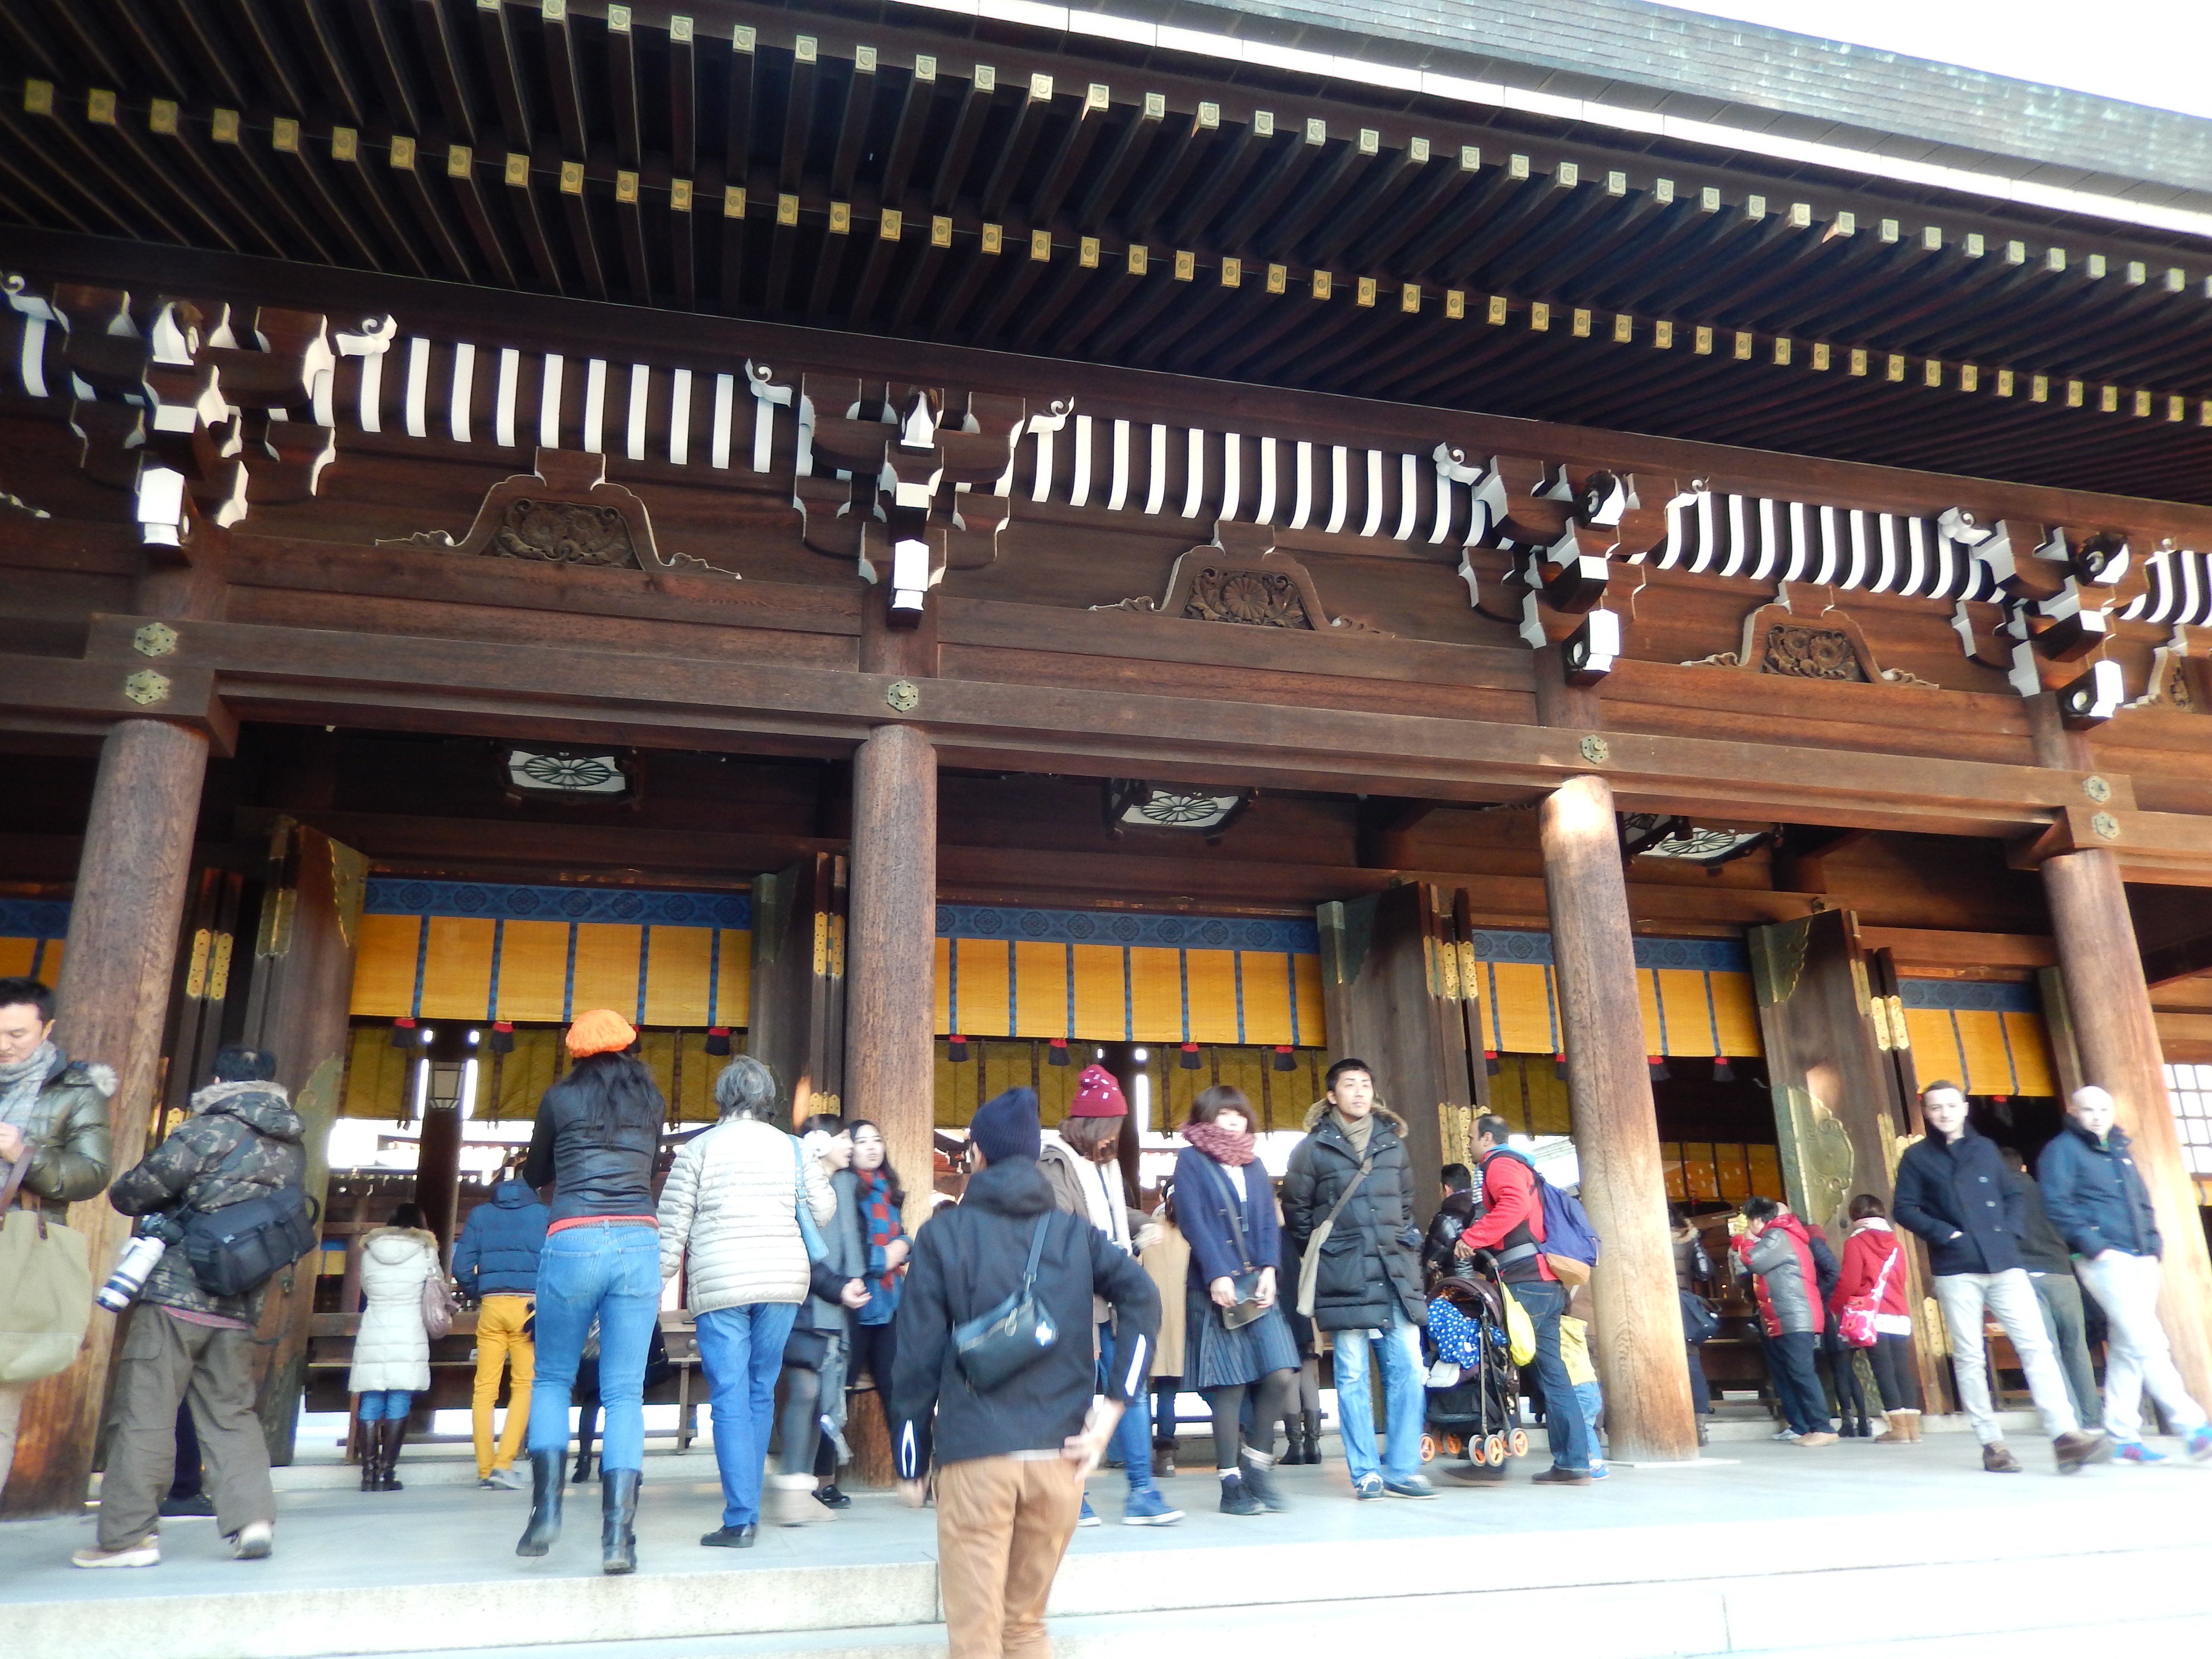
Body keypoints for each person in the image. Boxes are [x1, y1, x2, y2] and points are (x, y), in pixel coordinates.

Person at [888, 1087, 1158, 1659]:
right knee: (1025, 1626)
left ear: (977, 1154)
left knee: (976, 1639)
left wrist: (911, 1459)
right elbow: (1143, 1298)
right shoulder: (1074, 1234)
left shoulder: (942, 1235)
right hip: (1061, 1458)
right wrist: (1113, 1409)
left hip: (976, 1456)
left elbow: (913, 1360)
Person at [75, 1045, 303, 1569]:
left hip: (177, 1293)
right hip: (240, 1298)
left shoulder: (205, 1130)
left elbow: (131, 1193)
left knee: (146, 1412)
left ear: (218, 1080)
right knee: (231, 1412)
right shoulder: (292, 1146)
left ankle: (127, 1537)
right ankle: (253, 1521)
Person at [656, 1054, 834, 1547]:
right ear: (767, 1098)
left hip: (721, 1284)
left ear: (723, 1096)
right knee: (761, 1389)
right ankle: (746, 1508)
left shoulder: (699, 1149)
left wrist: (653, 1283)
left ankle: (741, 1518)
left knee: (730, 1395)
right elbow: (823, 1210)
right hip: (781, 1282)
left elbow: (672, 1227)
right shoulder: (792, 1149)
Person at [517, 1009, 666, 1573]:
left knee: (553, 1378)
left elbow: (535, 1173)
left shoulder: (560, 1098)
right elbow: (650, 1165)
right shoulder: (650, 1100)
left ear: (576, 1051)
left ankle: (545, 1512)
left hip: (574, 1235)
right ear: (628, 1046)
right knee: (624, 1392)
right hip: (638, 1239)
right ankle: (618, 1539)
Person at [1894, 1080, 2107, 1475]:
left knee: (2037, 1346)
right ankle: (1992, 1443)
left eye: (1951, 1105)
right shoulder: (1917, 1157)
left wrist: (2010, 1232)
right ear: (1926, 1112)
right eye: (1936, 1107)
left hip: (2005, 1261)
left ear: (1965, 1108)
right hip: (1957, 1267)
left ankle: (2065, 1434)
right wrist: (1947, 1235)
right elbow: (1904, 1208)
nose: (1944, 1113)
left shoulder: (1985, 1149)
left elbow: (2013, 1194)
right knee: (1971, 1356)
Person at [1284, 1059, 1434, 1500]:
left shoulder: (1393, 1144)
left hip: (1393, 1268)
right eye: (1349, 1085)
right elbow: (1297, 1213)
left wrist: (1404, 1241)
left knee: (1408, 1368)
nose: (1359, 1092)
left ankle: (1402, 1468)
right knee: (1352, 1373)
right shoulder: (1312, 1149)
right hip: (1345, 1272)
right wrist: (1333, 1250)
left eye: (1365, 1084)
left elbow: (1405, 1203)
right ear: (1332, 1096)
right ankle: (1366, 1471)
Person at [2038, 1085, 2212, 1464]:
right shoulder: (2061, 1151)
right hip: (2104, 1258)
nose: (2097, 1117)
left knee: (2127, 1344)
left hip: (2140, 1256)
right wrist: (2094, 1244)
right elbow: (2056, 1202)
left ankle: (2121, 1437)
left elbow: (2141, 1200)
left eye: (2104, 1109)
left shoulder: (2120, 1149)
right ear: (2074, 1112)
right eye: (2088, 1110)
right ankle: (2192, 1424)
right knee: (2148, 1340)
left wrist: (2152, 1245)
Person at [1039, 1064, 1179, 1526]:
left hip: (1114, 1294)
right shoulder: (1054, 1163)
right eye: (1112, 1125)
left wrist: (1144, 1225)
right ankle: (1072, 1496)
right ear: (1093, 1123)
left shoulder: (1107, 1163)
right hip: (1074, 1296)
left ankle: (1143, 1490)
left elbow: (1119, 1215)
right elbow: (1064, 1228)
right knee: (1074, 1397)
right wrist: (1116, 1249)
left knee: (1130, 1390)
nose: (1115, 1135)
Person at [0, 976, 112, 1502]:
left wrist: (23, 1153)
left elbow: (92, 1174)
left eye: (17, 1034)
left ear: (47, 1029)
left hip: (18, 1255)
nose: (4, 1045)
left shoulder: (76, 1091)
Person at [1177, 1085, 1303, 1514]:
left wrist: (1270, 1268)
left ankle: (1257, 1467)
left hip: (1257, 1283)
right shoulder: (1191, 1160)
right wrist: (1216, 1272)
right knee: (1229, 1386)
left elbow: (1268, 1220)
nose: (1233, 1122)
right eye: (1223, 1115)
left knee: (1281, 1373)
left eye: (1239, 1115)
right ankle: (1230, 1484)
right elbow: (1193, 1219)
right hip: (1215, 1285)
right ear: (1206, 1118)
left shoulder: (1253, 1162)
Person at [1457, 1113, 1596, 1485]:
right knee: (1553, 1374)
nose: (1469, 1145)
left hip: (1524, 1283)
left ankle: (1490, 1462)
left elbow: (1514, 1206)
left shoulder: (1499, 1164)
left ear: (1488, 1139)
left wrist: (1471, 1238)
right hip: (1545, 1281)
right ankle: (1574, 1463)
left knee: (1496, 1364)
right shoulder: (1524, 1166)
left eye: (1471, 1137)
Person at [778, 1113, 869, 1518]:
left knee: (817, 1397)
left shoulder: (846, 1186)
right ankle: (792, 1492)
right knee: (806, 1393)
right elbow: (799, 1250)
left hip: (833, 1306)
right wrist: (838, 1287)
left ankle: (803, 1492)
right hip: (802, 1303)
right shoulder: (797, 1187)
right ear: (818, 1143)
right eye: (844, 1138)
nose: (851, 1145)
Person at [453, 1158, 548, 1490]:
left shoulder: (481, 1214)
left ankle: (484, 1468)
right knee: (524, 1386)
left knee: (484, 1389)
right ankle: (504, 1464)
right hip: (529, 1307)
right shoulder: (545, 1215)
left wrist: (480, 1291)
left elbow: (461, 1265)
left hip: (492, 1306)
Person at [1998, 1147, 2102, 1436]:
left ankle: (2070, 1421)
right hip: (2061, 1273)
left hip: (2023, 1277)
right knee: (2076, 1346)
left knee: (2047, 1350)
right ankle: (2092, 1417)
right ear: (2024, 1168)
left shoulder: (1998, 1199)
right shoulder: (2049, 1194)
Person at [839, 1117, 910, 1504]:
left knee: (899, 1394)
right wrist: (891, 1254)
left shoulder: (888, 1190)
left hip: (890, 1303)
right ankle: (822, 1479)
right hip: (853, 1305)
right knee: (838, 1394)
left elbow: (900, 1239)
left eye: (877, 1140)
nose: (871, 1147)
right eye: (862, 1141)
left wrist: (905, 1244)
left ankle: (914, 1474)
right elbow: (849, 1249)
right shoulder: (845, 1188)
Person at [347, 1202, 441, 1493]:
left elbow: (366, 1287)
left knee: (371, 1397)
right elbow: (435, 1286)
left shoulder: (370, 1250)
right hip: (409, 1326)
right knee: (399, 1396)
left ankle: (368, 1475)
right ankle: (387, 1473)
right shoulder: (426, 1250)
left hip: (374, 1324)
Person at [1733, 1197, 1837, 1446]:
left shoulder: (1778, 1235)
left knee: (1802, 1372)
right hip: (1791, 1315)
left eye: (1750, 1221)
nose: (1749, 1227)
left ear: (1758, 1220)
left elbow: (1753, 1260)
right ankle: (1811, 1427)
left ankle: (1823, 1427)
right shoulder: (1785, 1234)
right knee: (1796, 1372)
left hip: (1794, 1315)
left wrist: (1745, 1241)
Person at [1832, 1194, 1921, 1442]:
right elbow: (1901, 1278)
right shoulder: (1895, 1243)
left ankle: (1898, 1429)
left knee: (1884, 1370)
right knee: (1902, 1370)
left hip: (1873, 1315)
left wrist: (1835, 1305)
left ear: (1855, 1216)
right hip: (1898, 1312)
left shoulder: (1856, 1242)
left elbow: (1850, 1280)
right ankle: (1913, 1429)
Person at [1138, 1180, 1190, 1477]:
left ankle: (1154, 1453)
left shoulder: (1149, 1232)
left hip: (1153, 1319)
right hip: (1187, 1321)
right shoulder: (1193, 1233)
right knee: (1207, 1387)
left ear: (1162, 1198)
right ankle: (1240, 1439)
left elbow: (1133, 1269)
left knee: (1152, 1389)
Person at [1561, 1282, 1607, 1478]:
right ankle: (1594, 1454)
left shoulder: (1566, 1273)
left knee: (1579, 1423)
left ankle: (1587, 1460)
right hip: (1593, 1330)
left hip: (1571, 1324)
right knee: (1587, 1421)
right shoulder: (1594, 1274)